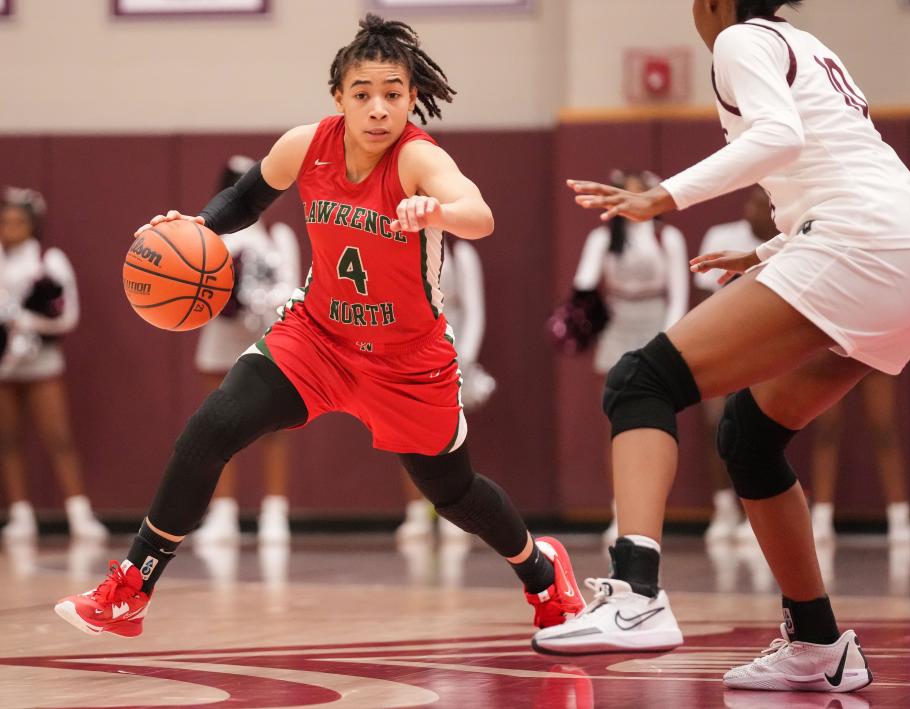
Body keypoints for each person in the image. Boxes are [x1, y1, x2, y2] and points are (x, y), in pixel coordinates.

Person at [54, 14, 584, 639]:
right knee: (210, 428)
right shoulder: (306, 145)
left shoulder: (417, 161)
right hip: (319, 338)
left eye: (393, 94)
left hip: (406, 359)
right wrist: (199, 227)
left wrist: (438, 209)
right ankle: (133, 587)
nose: (379, 108)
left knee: (454, 492)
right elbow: (245, 199)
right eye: (363, 94)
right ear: (338, 96)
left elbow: (480, 215)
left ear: (413, 99)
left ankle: (542, 570)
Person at [533, 0, 910, 695]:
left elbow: (781, 138)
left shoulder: (737, 39)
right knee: (750, 436)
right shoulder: (808, 44)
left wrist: (662, 196)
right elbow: (841, 168)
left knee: (641, 381)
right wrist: (767, 250)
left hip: (860, 249)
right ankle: (819, 643)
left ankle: (635, 592)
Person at [569, 170, 688, 547]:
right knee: (615, 420)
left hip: (655, 323)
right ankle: (620, 509)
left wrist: (667, 340)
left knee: (655, 418)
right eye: (626, 194)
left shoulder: (666, 236)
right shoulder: (603, 236)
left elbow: (679, 295)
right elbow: (584, 283)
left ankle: (652, 511)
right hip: (618, 323)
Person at [192, 155, 301, 546]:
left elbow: (293, 291)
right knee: (217, 427)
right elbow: (197, 295)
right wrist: (228, 301)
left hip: (268, 342)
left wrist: (257, 301)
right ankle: (222, 512)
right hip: (220, 343)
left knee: (275, 427)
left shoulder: (280, 238)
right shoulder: (210, 239)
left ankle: (275, 511)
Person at [0, 187, 108, 542]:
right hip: (4, 362)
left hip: (41, 360)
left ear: (33, 224)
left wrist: (27, 322)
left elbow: (67, 315)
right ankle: (20, 514)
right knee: (8, 438)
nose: (10, 227)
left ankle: (79, 513)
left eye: (18, 221)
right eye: (5, 221)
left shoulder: (48, 259)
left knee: (58, 436)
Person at [809, 301, 910, 545]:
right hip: (834, 326)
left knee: (884, 426)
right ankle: (820, 520)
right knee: (826, 427)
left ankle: (899, 518)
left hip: (873, 327)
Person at [395, 234, 494, 545]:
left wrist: (464, 356)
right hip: (411, 343)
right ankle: (416, 511)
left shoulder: (462, 253)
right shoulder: (401, 245)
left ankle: (456, 511)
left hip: (451, 346)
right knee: (405, 429)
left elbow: (475, 309)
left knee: (451, 431)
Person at [694, 185, 777, 542]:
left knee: (755, 429)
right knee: (715, 422)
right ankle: (723, 507)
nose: (749, 209)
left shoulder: (788, 242)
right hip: (720, 340)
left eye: (759, 204)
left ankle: (754, 515)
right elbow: (701, 296)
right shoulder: (721, 236)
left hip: (766, 347)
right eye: (749, 200)